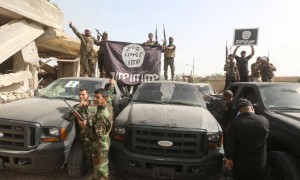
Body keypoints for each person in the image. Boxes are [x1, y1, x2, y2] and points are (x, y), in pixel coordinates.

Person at [225, 98, 270, 180]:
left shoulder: (235, 123)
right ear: (252, 108)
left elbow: (231, 143)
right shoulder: (264, 120)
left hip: (241, 163)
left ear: (239, 110)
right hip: (259, 162)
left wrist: (229, 158)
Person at [74, 88, 112, 180]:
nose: (94, 99)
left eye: (98, 97)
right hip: (101, 144)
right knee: (98, 169)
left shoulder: (101, 116)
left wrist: (83, 126)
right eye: (94, 96)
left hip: (99, 146)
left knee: (101, 172)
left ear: (105, 99)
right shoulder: (107, 107)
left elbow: (97, 135)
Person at [221, 90, 237, 156]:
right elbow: (226, 111)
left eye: (224, 96)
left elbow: (231, 119)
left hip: (228, 127)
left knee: (227, 141)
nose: (223, 98)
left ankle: (227, 156)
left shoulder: (232, 106)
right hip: (225, 125)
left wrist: (227, 128)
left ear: (227, 96)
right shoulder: (228, 103)